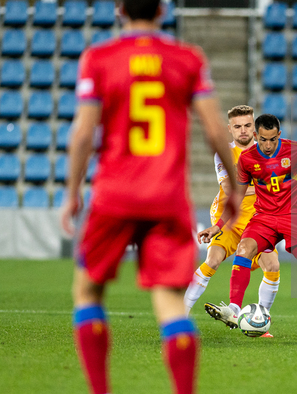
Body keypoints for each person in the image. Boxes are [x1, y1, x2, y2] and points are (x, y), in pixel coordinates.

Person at [60, 1, 238, 393]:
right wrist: (235, 190)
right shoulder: (187, 58)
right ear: (162, 10)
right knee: (171, 303)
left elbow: (83, 134)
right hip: (167, 197)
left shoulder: (99, 58)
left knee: (88, 292)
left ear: (120, 9)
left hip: (113, 195)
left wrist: (72, 192)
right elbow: (214, 130)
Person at [199, 114, 297, 343]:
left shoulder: (296, 150)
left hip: (295, 217)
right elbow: (237, 196)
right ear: (256, 136)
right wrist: (217, 226)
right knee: (244, 249)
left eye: (273, 140)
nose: (268, 146)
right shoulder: (247, 159)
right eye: (263, 140)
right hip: (265, 217)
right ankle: (234, 309)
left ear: (279, 135)